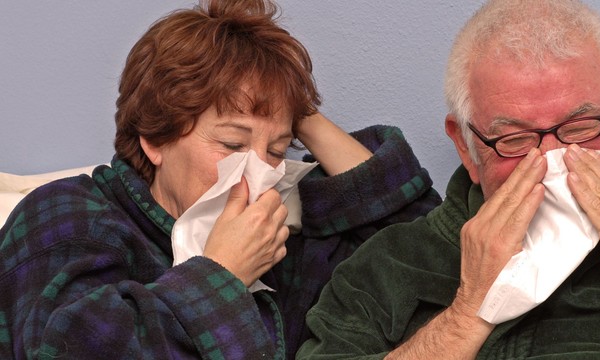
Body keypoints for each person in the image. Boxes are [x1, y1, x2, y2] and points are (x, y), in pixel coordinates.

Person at [299, 0, 600, 358]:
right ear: (466, 145)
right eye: (514, 140)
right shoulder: (389, 265)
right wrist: (469, 311)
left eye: (579, 128)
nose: (553, 160)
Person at [0, 1, 440, 358]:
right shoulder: (69, 217)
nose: (258, 171)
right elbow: (63, 348)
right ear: (155, 138)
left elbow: (426, 254)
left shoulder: (282, 235)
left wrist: (293, 105)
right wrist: (223, 274)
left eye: (275, 151)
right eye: (231, 145)